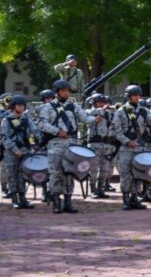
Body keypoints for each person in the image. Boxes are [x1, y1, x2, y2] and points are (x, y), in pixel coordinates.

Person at [37, 80, 97, 214]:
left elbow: (86, 119)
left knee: (69, 173)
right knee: (56, 173)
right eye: (63, 90)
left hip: (72, 145)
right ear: (57, 92)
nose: (66, 93)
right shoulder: (47, 107)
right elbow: (41, 124)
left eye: (67, 90)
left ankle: (68, 202)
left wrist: (96, 119)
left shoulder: (74, 106)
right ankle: (56, 202)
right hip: (55, 145)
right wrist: (57, 131)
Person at [113, 85, 151, 210]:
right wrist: (127, 141)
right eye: (134, 95)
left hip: (139, 147)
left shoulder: (144, 111)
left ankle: (134, 198)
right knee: (126, 173)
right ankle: (126, 199)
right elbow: (116, 131)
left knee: (138, 173)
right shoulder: (121, 111)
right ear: (128, 96)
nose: (137, 97)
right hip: (126, 148)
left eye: (139, 95)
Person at [1, 96, 41, 209]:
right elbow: (3, 137)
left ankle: (23, 199)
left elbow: (34, 130)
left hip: (25, 150)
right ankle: (14, 199)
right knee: (12, 175)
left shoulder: (26, 119)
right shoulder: (7, 120)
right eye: (19, 105)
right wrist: (14, 149)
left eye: (23, 105)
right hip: (11, 152)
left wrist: (41, 139)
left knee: (23, 175)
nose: (22, 107)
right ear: (13, 106)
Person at [86, 93, 117, 199]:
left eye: (103, 102)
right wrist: (103, 110)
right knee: (93, 169)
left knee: (105, 169)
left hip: (107, 145)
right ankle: (93, 190)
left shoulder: (108, 114)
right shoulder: (90, 112)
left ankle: (101, 188)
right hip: (95, 144)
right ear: (94, 103)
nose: (102, 104)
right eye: (99, 102)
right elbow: (92, 120)